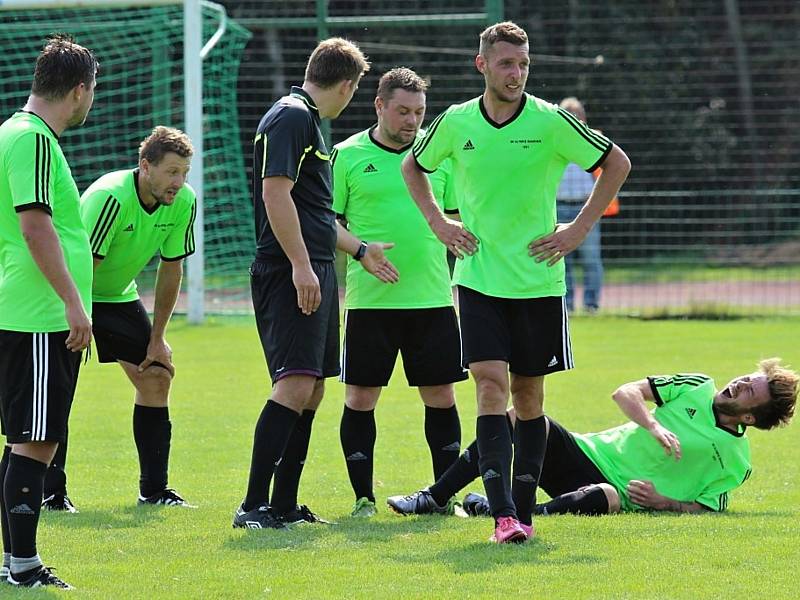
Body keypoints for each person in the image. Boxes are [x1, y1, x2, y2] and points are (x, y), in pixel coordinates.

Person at [401, 21, 631, 543]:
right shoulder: (456, 122)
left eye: (524, 63)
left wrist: (578, 228)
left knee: (528, 399)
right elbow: (413, 168)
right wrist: (439, 223)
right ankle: (503, 515)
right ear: (482, 65)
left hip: (539, 282)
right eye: (506, 63)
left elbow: (616, 163)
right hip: (479, 277)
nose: (517, 72)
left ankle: (523, 514)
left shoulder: (551, 121)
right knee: (488, 383)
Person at [233, 38, 397, 530]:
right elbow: (275, 194)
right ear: (348, 86)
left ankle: (284, 504)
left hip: (317, 267)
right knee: (295, 382)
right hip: (290, 270)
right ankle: (252, 506)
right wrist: (301, 265)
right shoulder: (292, 115)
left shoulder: (308, 121)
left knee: (314, 387)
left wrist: (359, 250)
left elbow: (314, 211)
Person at [388, 359, 798, 518]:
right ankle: (436, 496)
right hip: (587, 452)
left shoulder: (735, 460)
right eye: (746, 378)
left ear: (749, 416)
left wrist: (665, 503)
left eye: (749, 391)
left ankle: (508, 512)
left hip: (615, 491)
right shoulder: (695, 384)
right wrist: (654, 426)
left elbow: (711, 508)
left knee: (606, 495)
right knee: (520, 419)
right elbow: (625, 392)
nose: (739, 383)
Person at [331, 68, 467, 518]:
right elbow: (327, 222)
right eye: (403, 111)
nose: (412, 121)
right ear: (379, 106)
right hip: (372, 304)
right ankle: (363, 499)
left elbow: (455, 217)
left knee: (441, 397)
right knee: (360, 399)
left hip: (432, 299)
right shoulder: (347, 155)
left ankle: (443, 498)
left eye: (420, 112)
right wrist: (362, 251)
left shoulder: (439, 156)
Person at [41, 126, 198, 511]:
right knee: (59, 392)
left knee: (157, 375)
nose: (179, 182)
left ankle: (154, 491)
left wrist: (157, 336)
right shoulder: (110, 197)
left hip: (117, 295)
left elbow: (171, 268)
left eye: (184, 173)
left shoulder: (183, 201)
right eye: (171, 172)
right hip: (71, 293)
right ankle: (51, 494)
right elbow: (83, 265)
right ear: (146, 166)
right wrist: (78, 315)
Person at [0, 34, 97, 589]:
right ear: (79, 90)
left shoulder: (19, 133)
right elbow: (35, 225)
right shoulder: (33, 139)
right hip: (39, 314)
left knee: (29, 439)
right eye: (92, 92)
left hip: (32, 310)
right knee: (35, 441)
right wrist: (71, 302)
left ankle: (16, 562)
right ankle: (23, 567)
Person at [556, 98, 604, 313]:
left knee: (591, 258)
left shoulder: (594, 139)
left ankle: (591, 304)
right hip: (557, 207)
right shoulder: (553, 140)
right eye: (569, 114)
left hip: (586, 207)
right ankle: (567, 304)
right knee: (561, 260)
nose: (574, 118)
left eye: (577, 114)